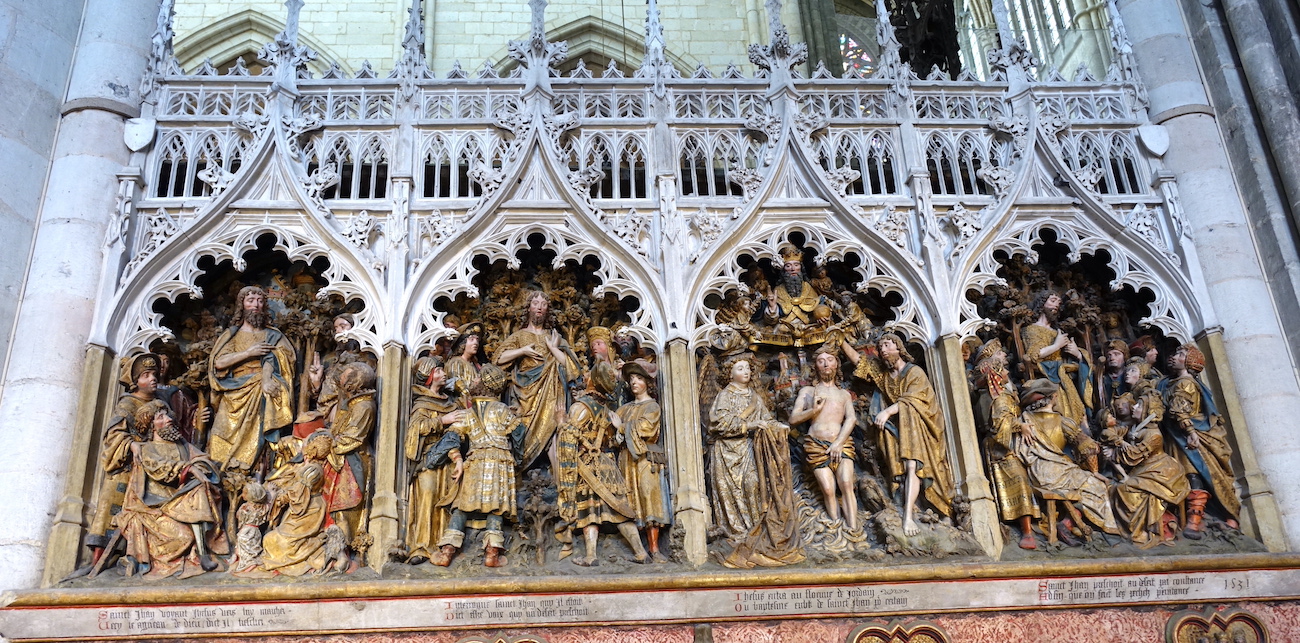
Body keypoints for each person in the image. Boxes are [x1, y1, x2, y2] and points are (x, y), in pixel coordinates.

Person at [841, 333, 954, 536]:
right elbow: (860, 361)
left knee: (915, 466)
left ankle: (913, 516)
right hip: (899, 427)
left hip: (920, 426)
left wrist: (887, 411)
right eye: (880, 347)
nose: (883, 350)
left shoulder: (915, 372)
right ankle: (913, 510)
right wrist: (840, 338)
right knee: (905, 469)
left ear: (899, 348)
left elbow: (914, 399)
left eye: (887, 345)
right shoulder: (885, 374)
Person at [709, 355, 805, 569]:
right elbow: (718, 423)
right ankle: (737, 531)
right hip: (726, 451)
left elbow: (766, 418)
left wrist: (777, 427)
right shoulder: (725, 396)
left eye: (747, 368)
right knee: (729, 490)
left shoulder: (754, 396)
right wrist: (751, 425)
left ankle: (754, 529)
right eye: (740, 368)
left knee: (753, 484)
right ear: (730, 374)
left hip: (749, 449)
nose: (746, 372)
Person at [113, 401, 225, 579]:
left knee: (199, 489)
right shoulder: (146, 449)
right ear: (152, 426)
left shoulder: (182, 446)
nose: (168, 419)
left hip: (183, 502)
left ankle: (204, 553)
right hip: (155, 507)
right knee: (184, 538)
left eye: (167, 415)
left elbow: (203, 458)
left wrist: (200, 466)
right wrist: (188, 469)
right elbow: (159, 468)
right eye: (160, 417)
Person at [429, 365, 525, 568]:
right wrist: (517, 456)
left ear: (484, 384)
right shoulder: (502, 409)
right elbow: (518, 432)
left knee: (462, 506)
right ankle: (492, 554)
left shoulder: (467, 413)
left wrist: (458, 460)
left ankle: (447, 552)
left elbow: (451, 438)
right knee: (495, 508)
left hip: (475, 459)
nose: (472, 381)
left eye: (477, 378)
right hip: (500, 460)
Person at [556, 363, 650, 566]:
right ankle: (641, 552)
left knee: (590, 512)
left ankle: (591, 556)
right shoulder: (608, 411)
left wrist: (561, 424)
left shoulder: (580, 407)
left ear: (592, 381)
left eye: (588, 374)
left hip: (588, 465)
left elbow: (570, 438)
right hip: (608, 465)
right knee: (620, 510)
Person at [1015, 379, 1121, 539]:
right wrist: (1094, 471)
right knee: (1096, 485)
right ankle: (1067, 524)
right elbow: (1088, 446)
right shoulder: (1062, 422)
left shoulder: (1022, 420)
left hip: (1035, 473)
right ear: (1053, 397)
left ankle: (1069, 524)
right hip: (1057, 473)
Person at [207, 285, 296, 473]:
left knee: (257, 435)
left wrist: (265, 378)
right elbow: (219, 363)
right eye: (251, 301)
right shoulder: (232, 334)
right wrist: (248, 353)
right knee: (220, 433)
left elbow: (282, 361)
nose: (256, 305)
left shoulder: (273, 335)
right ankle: (220, 475)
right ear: (242, 305)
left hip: (260, 390)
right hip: (234, 392)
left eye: (260, 301)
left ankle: (252, 473)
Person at [493, 290, 581, 470]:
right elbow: (498, 359)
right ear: (528, 308)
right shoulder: (519, 336)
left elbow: (572, 368)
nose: (539, 307)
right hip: (524, 393)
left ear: (547, 309)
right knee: (522, 430)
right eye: (535, 303)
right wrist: (522, 350)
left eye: (543, 304)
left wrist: (553, 348)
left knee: (553, 433)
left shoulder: (553, 336)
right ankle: (519, 471)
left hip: (551, 391)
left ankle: (559, 480)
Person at [1161, 343, 1241, 539]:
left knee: (1197, 476)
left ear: (1189, 362)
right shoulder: (1171, 382)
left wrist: (1190, 431)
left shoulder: (1185, 384)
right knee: (1187, 477)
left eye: (1180, 354)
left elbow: (1180, 410)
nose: (1174, 356)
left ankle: (1196, 522)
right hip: (1177, 437)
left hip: (1191, 437)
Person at [973, 339, 1039, 550]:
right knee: (1018, 480)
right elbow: (1000, 423)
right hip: (1001, 448)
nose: (1008, 375)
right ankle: (1026, 532)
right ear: (996, 375)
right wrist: (1020, 426)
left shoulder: (1004, 395)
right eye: (1004, 372)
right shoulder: (998, 398)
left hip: (1010, 445)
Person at [1099, 393, 1188, 547]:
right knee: (1113, 487)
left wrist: (1114, 453)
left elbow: (1134, 454)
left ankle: (1139, 532)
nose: (1134, 407)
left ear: (1148, 411)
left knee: (1124, 488)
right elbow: (1115, 434)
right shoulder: (1136, 427)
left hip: (1161, 472)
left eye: (1139, 405)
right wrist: (1113, 439)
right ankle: (1121, 529)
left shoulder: (1154, 435)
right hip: (1144, 469)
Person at [788, 346, 859, 530]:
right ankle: (836, 529)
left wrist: (838, 443)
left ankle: (853, 530)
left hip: (841, 445)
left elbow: (851, 418)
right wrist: (814, 410)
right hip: (816, 446)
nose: (826, 363)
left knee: (846, 483)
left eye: (830, 359)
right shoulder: (808, 392)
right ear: (816, 366)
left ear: (837, 364)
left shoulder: (844, 395)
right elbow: (793, 419)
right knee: (828, 489)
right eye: (821, 360)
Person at [404, 356, 463, 565]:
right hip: (428, 460)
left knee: (447, 497)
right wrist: (442, 420)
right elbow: (415, 430)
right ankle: (421, 546)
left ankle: (443, 544)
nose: (443, 373)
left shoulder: (449, 401)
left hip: (448, 457)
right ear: (429, 377)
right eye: (438, 371)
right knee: (428, 495)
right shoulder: (421, 403)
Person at [612, 362, 671, 562]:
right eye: (631, 380)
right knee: (631, 500)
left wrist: (621, 428)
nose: (634, 382)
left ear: (647, 382)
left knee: (649, 498)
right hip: (626, 460)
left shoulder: (652, 406)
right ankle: (639, 550)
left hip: (646, 459)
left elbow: (647, 428)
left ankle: (654, 549)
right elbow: (613, 436)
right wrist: (617, 433)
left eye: (638, 378)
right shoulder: (624, 409)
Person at [1020, 290, 1093, 428]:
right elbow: (1033, 355)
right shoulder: (1031, 329)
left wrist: (1077, 354)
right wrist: (1056, 345)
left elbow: (1067, 358)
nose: (1056, 306)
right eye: (1052, 301)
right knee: (1059, 413)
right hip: (1047, 379)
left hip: (1063, 378)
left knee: (1079, 414)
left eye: (1059, 303)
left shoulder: (1057, 332)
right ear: (1042, 303)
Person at [322, 361, 376, 544]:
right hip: (341, 459)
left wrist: (325, 445)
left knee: (344, 505)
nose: (340, 379)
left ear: (354, 384)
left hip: (352, 461)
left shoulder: (364, 406)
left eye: (344, 377)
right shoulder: (352, 403)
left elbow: (353, 438)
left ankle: (345, 543)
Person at [758, 244, 827, 338]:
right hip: (785, 327)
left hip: (807, 326)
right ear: (784, 270)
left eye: (796, 265)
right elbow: (771, 321)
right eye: (788, 266)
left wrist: (821, 314)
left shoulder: (807, 287)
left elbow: (816, 304)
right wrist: (773, 307)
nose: (793, 269)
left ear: (800, 268)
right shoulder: (778, 290)